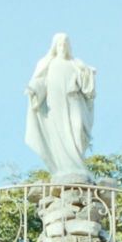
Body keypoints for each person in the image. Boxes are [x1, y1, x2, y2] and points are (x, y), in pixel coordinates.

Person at [24, 32, 97, 183]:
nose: (62, 47)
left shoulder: (75, 63)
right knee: (60, 135)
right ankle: (64, 167)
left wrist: (88, 73)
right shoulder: (48, 63)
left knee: (77, 131)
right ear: (55, 47)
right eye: (60, 44)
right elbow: (41, 82)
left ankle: (77, 165)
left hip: (74, 101)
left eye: (65, 44)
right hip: (56, 106)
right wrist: (33, 89)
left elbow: (86, 86)